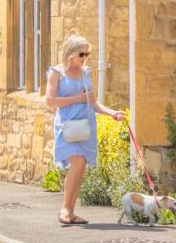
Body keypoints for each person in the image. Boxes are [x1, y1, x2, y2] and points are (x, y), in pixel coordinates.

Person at [45, 34, 125, 225]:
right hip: (67, 125)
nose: (85, 58)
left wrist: (112, 113)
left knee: (80, 169)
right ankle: (65, 208)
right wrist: (76, 99)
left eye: (87, 54)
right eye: (82, 54)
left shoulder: (86, 72)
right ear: (71, 53)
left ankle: (70, 212)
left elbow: (94, 103)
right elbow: (49, 101)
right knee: (78, 162)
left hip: (85, 125)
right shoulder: (57, 73)